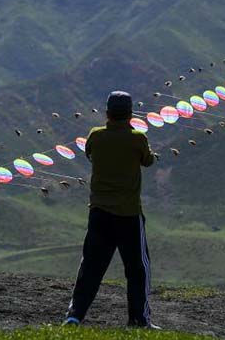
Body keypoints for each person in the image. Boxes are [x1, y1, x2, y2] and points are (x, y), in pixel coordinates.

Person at [65, 91, 160, 329]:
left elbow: (89, 154)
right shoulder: (138, 138)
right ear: (130, 114)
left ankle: (75, 316)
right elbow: (148, 160)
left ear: (107, 113)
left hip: (99, 213)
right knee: (138, 270)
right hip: (129, 214)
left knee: (91, 267)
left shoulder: (95, 136)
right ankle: (138, 319)